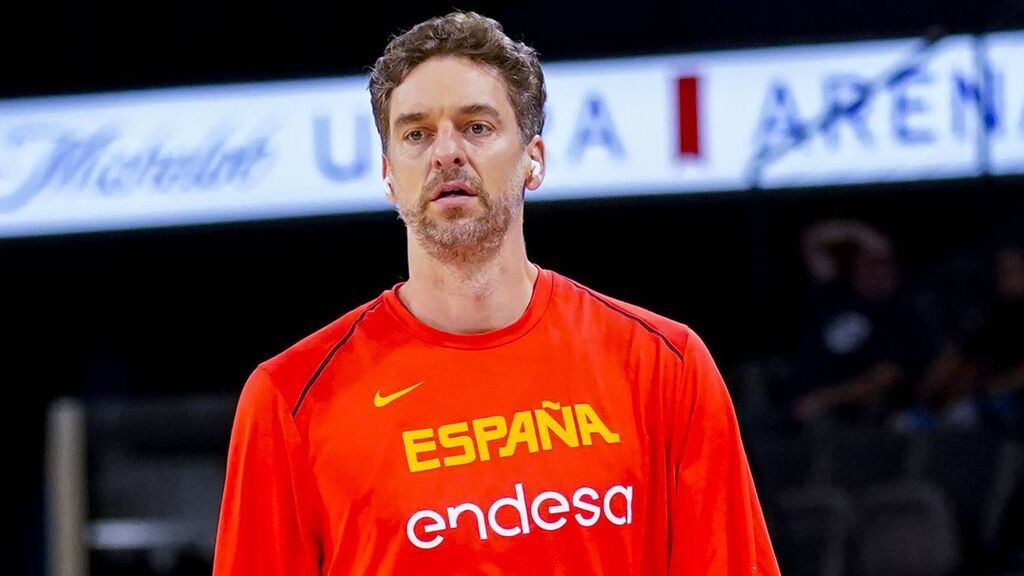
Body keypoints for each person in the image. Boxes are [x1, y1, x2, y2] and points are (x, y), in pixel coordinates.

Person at [213, 11, 779, 575]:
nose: (446, 152)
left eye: (477, 126)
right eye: (416, 133)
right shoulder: (289, 401)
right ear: (388, 174)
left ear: (534, 159)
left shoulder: (664, 366)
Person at [782, 219, 933, 426]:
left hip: (853, 418)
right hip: (797, 405)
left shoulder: (902, 316)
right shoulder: (836, 293)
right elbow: (813, 240)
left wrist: (824, 400)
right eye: (866, 261)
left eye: (881, 264)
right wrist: (865, 236)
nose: (872, 271)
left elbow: (884, 378)